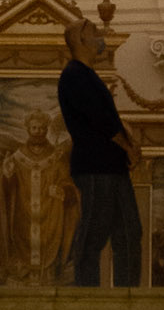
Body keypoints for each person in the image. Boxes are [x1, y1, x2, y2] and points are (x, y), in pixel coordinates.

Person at [56, 16, 141, 287]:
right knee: (93, 233)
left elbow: (108, 117)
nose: (101, 36)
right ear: (81, 40)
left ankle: (129, 296)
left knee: (129, 233)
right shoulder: (74, 75)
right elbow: (100, 119)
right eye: (95, 32)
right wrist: (128, 146)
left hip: (111, 167)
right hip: (95, 168)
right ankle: (86, 298)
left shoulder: (88, 75)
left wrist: (127, 143)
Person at [0, 110, 78, 287]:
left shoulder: (56, 157)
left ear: (46, 129)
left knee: (48, 240)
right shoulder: (18, 156)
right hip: (23, 210)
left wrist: (62, 190)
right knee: (22, 239)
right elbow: (4, 183)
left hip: (50, 211)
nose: (38, 132)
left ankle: (47, 274)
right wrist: (7, 173)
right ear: (28, 129)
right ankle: (24, 275)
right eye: (34, 128)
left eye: (41, 128)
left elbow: (68, 182)